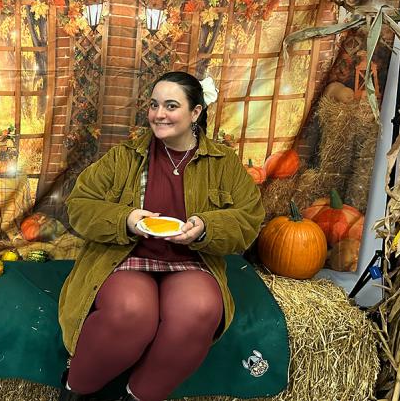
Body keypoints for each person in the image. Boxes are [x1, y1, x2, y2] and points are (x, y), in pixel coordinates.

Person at [57, 71, 265, 401]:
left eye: (171, 105)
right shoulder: (125, 157)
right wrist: (125, 219)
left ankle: (137, 394)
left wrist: (207, 227)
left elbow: (249, 219)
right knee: (131, 312)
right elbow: (78, 207)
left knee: (200, 309)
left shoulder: (223, 163)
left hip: (190, 260)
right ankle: (76, 388)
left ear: (195, 113)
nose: (159, 114)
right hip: (127, 256)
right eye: (154, 105)